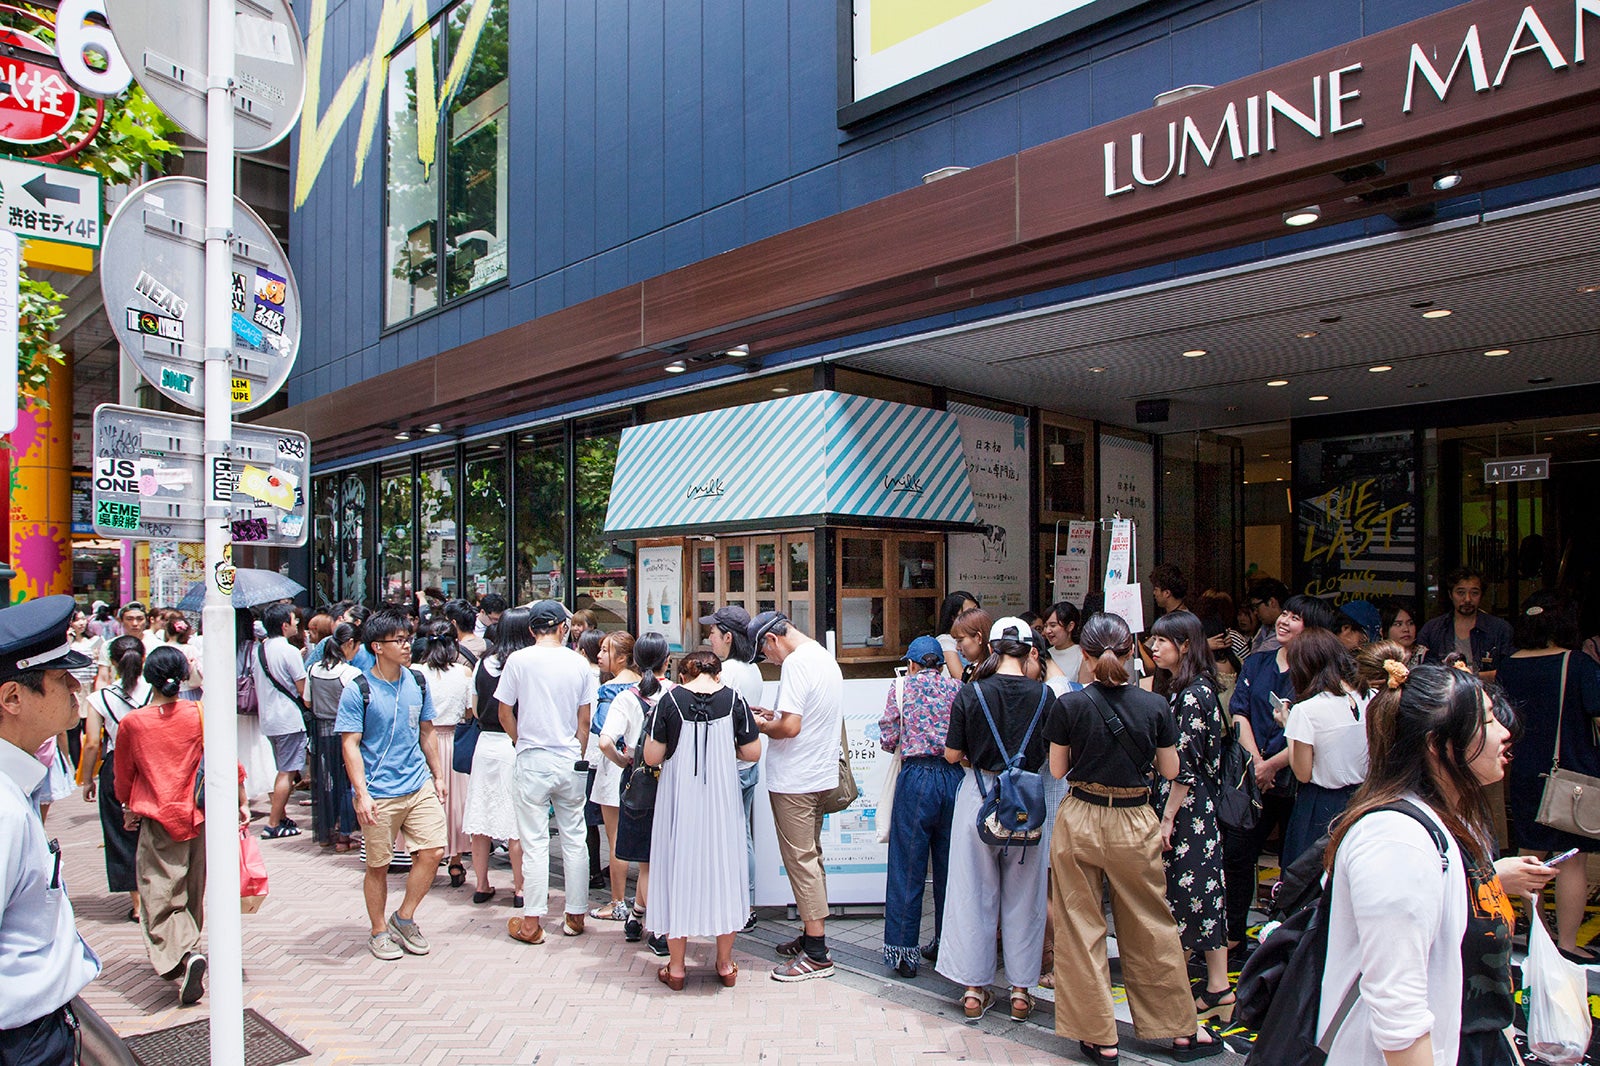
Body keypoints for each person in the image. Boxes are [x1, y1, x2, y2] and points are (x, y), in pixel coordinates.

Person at [1319, 654, 1555, 1066]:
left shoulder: (1454, 820)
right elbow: (1398, 1013)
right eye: (1486, 721)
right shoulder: (1396, 840)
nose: (1504, 733)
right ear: (1437, 745)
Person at [1045, 612, 1222, 1062]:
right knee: (1150, 923)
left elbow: (1057, 770)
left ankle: (1100, 1036)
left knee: (1081, 925)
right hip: (1134, 817)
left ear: (1083, 654)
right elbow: (1170, 770)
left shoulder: (1069, 705)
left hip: (1082, 815)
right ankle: (1179, 1028)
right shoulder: (1155, 705)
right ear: (1132, 652)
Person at [0, 596, 102, 1063]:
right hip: (22, 1039)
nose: (74, 689)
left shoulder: (14, 787)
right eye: (60, 679)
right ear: (13, 698)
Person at [936, 618, 1051, 1021]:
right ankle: (1020, 992)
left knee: (972, 893)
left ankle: (973, 989)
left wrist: (975, 758)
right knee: (1026, 896)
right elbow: (1054, 756)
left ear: (995, 648)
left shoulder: (972, 693)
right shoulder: (1046, 696)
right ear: (1029, 651)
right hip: (1028, 801)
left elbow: (952, 755)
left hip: (979, 795)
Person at [643, 651, 762, 990]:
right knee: (725, 870)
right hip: (721, 799)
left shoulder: (668, 701)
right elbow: (752, 752)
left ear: (684, 675)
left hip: (679, 799)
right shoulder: (735, 699)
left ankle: (677, 968)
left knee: (675, 869)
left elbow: (652, 755)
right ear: (718, 674)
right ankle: (724, 964)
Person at [1224, 592, 1335, 956]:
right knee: (1239, 855)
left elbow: (1316, 731)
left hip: (1298, 779)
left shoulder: (1320, 676)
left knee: (1298, 862)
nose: (1285, 621)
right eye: (1284, 613)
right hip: (1252, 777)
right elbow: (1239, 711)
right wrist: (1257, 762)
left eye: (1295, 617)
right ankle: (1234, 934)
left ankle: (1291, 939)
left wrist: (1273, 764)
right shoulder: (1257, 663)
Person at [337, 609, 449, 961]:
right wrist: (362, 792)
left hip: (417, 784)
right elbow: (350, 744)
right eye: (398, 640)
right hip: (379, 792)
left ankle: (404, 917)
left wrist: (438, 774)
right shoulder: (359, 690)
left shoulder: (417, 681)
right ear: (377, 647)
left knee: (433, 851)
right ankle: (378, 930)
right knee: (378, 865)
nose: (407, 646)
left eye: (408, 638)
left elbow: (427, 730)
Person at [1497, 591, 1600, 963]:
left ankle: (1539, 939)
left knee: (1530, 857)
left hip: (1524, 770)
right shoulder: (1578, 664)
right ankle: (1568, 945)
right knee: (1573, 860)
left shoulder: (1510, 665)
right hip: (1571, 772)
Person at [1146, 609, 1232, 1024]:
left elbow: (1187, 767)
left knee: (1182, 896)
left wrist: (1166, 819)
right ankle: (1219, 988)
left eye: (1162, 641)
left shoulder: (1194, 694)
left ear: (1184, 645)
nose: (1154, 648)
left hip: (1186, 809)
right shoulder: (1189, 689)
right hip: (1194, 807)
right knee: (1205, 893)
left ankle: (1176, 992)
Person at [748, 611, 843, 982]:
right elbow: (803, 717)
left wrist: (761, 724)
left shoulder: (796, 664)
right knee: (811, 858)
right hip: (819, 775)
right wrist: (775, 715)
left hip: (795, 780)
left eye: (764, 653)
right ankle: (810, 936)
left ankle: (817, 953)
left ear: (772, 640)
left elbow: (790, 726)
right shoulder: (821, 656)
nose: (768, 661)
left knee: (801, 862)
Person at [113, 646, 211, 1005]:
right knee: (191, 889)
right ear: (184, 676)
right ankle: (188, 952)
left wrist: (127, 806)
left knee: (159, 894)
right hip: (198, 816)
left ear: (146, 676)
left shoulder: (134, 723)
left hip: (157, 817)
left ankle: (184, 957)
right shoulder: (200, 713)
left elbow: (123, 774)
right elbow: (222, 762)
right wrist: (242, 800)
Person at [496, 601, 596, 945]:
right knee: (574, 836)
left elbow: (504, 711)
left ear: (530, 630)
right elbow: (584, 720)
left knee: (535, 842)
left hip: (532, 757)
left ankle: (532, 922)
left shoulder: (518, 661)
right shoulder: (579, 663)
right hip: (569, 757)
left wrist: (520, 740)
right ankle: (576, 914)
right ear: (563, 628)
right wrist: (577, 749)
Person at [877, 634, 962, 978]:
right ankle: (945, 943)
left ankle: (903, 953)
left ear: (911, 664)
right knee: (950, 868)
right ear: (940, 665)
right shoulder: (957, 689)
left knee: (907, 866)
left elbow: (888, 740)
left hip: (915, 778)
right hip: (953, 778)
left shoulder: (900, 689)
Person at [1280, 627, 1367, 868]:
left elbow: (1302, 772)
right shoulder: (1369, 696)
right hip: (1364, 798)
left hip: (1320, 805)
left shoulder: (1306, 711)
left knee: (1311, 880)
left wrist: (1289, 727)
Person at [608, 634, 672, 954]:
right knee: (660, 861)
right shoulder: (677, 694)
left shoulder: (625, 697)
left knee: (647, 861)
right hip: (671, 782)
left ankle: (637, 917)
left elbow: (606, 741)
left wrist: (624, 761)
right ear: (667, 660)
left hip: (639, 782)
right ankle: (656, 929)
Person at [700, 605, 762, 927]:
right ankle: (746, 902)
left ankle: (738, 903)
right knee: (744, 835)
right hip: (746, 766)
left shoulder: (729, 674)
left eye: (712, 632)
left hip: (730, 766)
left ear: (727, 636)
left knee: (730, 837)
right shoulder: (753, 670)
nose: (708, 637)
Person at [79, 635, 148, 922]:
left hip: (117, 769)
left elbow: (93, 743)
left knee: (120, 833)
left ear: (114, 663)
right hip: (152, 767)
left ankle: (137, 903)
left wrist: (87, 780)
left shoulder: (100, 698)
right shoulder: (155, 691)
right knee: (154, 831)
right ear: (143, 659)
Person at [463, 610, 527, 907]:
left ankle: (482, 884)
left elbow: (474, 709)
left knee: (482, 816)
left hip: (485, 744)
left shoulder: (482, 663)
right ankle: (520, 887)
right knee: (515, 819)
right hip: (513, 744)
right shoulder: (524, 664)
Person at [413, 621, 474, 888]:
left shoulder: (415, 672)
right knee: (455, 804)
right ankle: (456, 861)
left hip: (422, 741)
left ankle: (421, 858)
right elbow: (470, 711)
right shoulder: (463, 673)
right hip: (452, 740)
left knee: (421, 802)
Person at [589, 631, 640, 917]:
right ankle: (644, 903)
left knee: (616, 839)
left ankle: (617, 902)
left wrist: (619, 759)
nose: (600, 655)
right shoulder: (647, 685)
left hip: (616, 766)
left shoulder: (610, 690)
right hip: (644, 766)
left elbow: (601, 730)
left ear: (622, 657)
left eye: (606, 650)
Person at [254, 602, 310, 839]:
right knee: (287, 772)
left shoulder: (260, 650)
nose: (297, 623)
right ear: (284, 625)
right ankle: (273, 823)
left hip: (268, 718)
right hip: (289, 718)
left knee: (281, 770)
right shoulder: (287, 651)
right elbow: (303, 691)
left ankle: (280, 815)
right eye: (293, 620)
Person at [305, 622, 361, 851]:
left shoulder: (314, 669)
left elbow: (307, 701)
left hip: (321, 733)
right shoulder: (351, 673)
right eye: (357, 646)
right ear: (349, 644)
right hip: (346, 734)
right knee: (348, 783)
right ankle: (345, 835)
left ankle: (326, 832)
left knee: (325, 783)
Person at [1416, 567, 1514, 680]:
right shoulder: (1432, 629)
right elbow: (1422, 672)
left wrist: (1470, 677)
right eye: (1460, 593)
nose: (1467, 599)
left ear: (1481, 595)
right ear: (1450, 594)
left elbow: (1509, 671)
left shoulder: (1500, 629)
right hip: (1444, 694)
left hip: (1488, 694)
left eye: (1474, 593)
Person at [234, 607, 278, 802]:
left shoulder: (222, 646)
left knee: (233, 750)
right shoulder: (254, 649)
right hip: (250, 708)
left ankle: (237, 798)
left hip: (227, 708)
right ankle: (277, 808)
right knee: (258, 750)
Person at [936, 590, 980, 679]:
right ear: (954, 618)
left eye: (976, 609)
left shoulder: (978, 635)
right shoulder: (945, 641)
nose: (975, 615)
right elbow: (960, 678)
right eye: (968, 612)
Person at [1040, 601, 1084, 683]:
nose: (1047, 631)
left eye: (1053, 625)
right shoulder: (1044, 654)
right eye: (1045, 626)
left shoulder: (1082, 655)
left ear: (1070, 626)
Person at [1244, 578, 1289, 655]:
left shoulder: (1288, 629)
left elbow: (1260, 658)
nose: (1255, 612)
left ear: (1272, 602)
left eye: (1256, 607)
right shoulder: (1265, 627)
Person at [948, 607, 992, 684]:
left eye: (960, 640)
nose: (957, 647)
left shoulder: (993, 674)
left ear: (978, 638)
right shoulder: (970, 670)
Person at [1379, 598, 1426, 663]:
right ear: (1384, 631)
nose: (1406, 629)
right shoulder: (1376, 657)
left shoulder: (1426, 656)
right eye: (1398, 624)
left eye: (1410, 623)